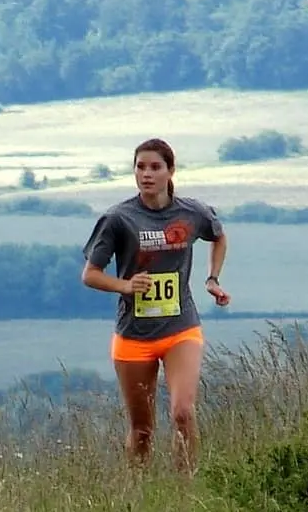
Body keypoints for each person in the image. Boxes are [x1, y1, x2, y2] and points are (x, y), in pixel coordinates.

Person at [81, 138, 229, 467]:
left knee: (183, 413)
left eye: (155, 167)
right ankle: (137, 499)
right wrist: (126, 286)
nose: (146, 174)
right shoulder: (118, 218)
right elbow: (90, 274)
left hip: (181, 328)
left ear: (170, 171)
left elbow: (218, 236)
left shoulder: (192, 213)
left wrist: (212, 279)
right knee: (142, 430)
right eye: (140, 167)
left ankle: (185, 494)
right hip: (134, 335)